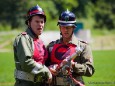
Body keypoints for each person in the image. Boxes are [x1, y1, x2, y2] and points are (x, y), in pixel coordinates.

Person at [46, 9, 95, 86]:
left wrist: (73, 65)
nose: (66, 29)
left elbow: (90, 70)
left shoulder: (83, 47)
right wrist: (49, 68)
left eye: (68, 27)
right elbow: (42, 66)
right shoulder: (51, 47)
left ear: (73, 27)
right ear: (59, 27)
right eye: (63, 26)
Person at [13, 5, 52, 86]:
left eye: (42, 22)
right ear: (29, 22)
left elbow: (42, 62)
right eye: (37, 21)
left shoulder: (41, 42)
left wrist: (51, 68)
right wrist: (46, 71)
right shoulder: (23, 39)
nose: (40, 25)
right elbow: (26, 63)